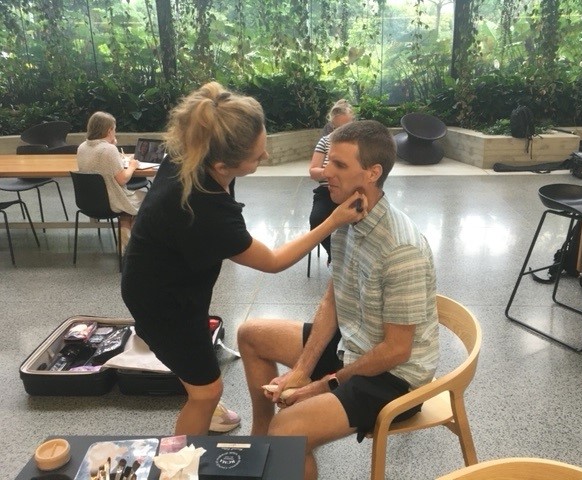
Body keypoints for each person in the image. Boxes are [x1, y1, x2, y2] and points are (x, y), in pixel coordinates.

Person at [120, 81, 366, 436]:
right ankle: (179, 464)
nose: (264, 157)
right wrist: (334, 220)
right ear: (223, 165)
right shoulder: (203, 207)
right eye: (257, 156)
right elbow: (274, 260)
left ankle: (199, 393)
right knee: (208, 391)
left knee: (199, 374)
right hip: (161, 299)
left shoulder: (199, 144)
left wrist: (219, 96)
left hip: (165, 271)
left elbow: (210, 90)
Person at [238, 120, 439, 480]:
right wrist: (299, 371)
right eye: (328, 161)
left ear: (373, 173)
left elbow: (397, 350)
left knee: (288, 430)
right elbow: (333, 299)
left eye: (340, 165)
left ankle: (277, 445)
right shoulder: (348, 215)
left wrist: (317, 386)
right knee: (252, 334)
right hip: (355, 345)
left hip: (394, 376)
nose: (325, 171)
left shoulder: (401, 248)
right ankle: (261, 445)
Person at [76, 111, 145, 250]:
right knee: (147, 198)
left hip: (89, 200)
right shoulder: (108, 150)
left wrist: (111, 143)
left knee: (127, 208)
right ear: (109, 130)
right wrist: (132, 166)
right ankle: (131, 242)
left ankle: (125, 239)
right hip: (111, 200)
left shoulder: (82, 147)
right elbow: (122, 180)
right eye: (114, 129)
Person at [308, 99, 355, 262]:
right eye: (337, 128)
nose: (341, 132)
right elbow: (313, 171)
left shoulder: (359, 143)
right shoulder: (325, 141)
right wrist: (331, 173)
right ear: (332, 126)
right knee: (316, 220)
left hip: (350, 192)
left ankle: (353, 258)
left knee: (362, 220)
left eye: (346, 127)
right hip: (326, 192)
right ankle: (336, 257)